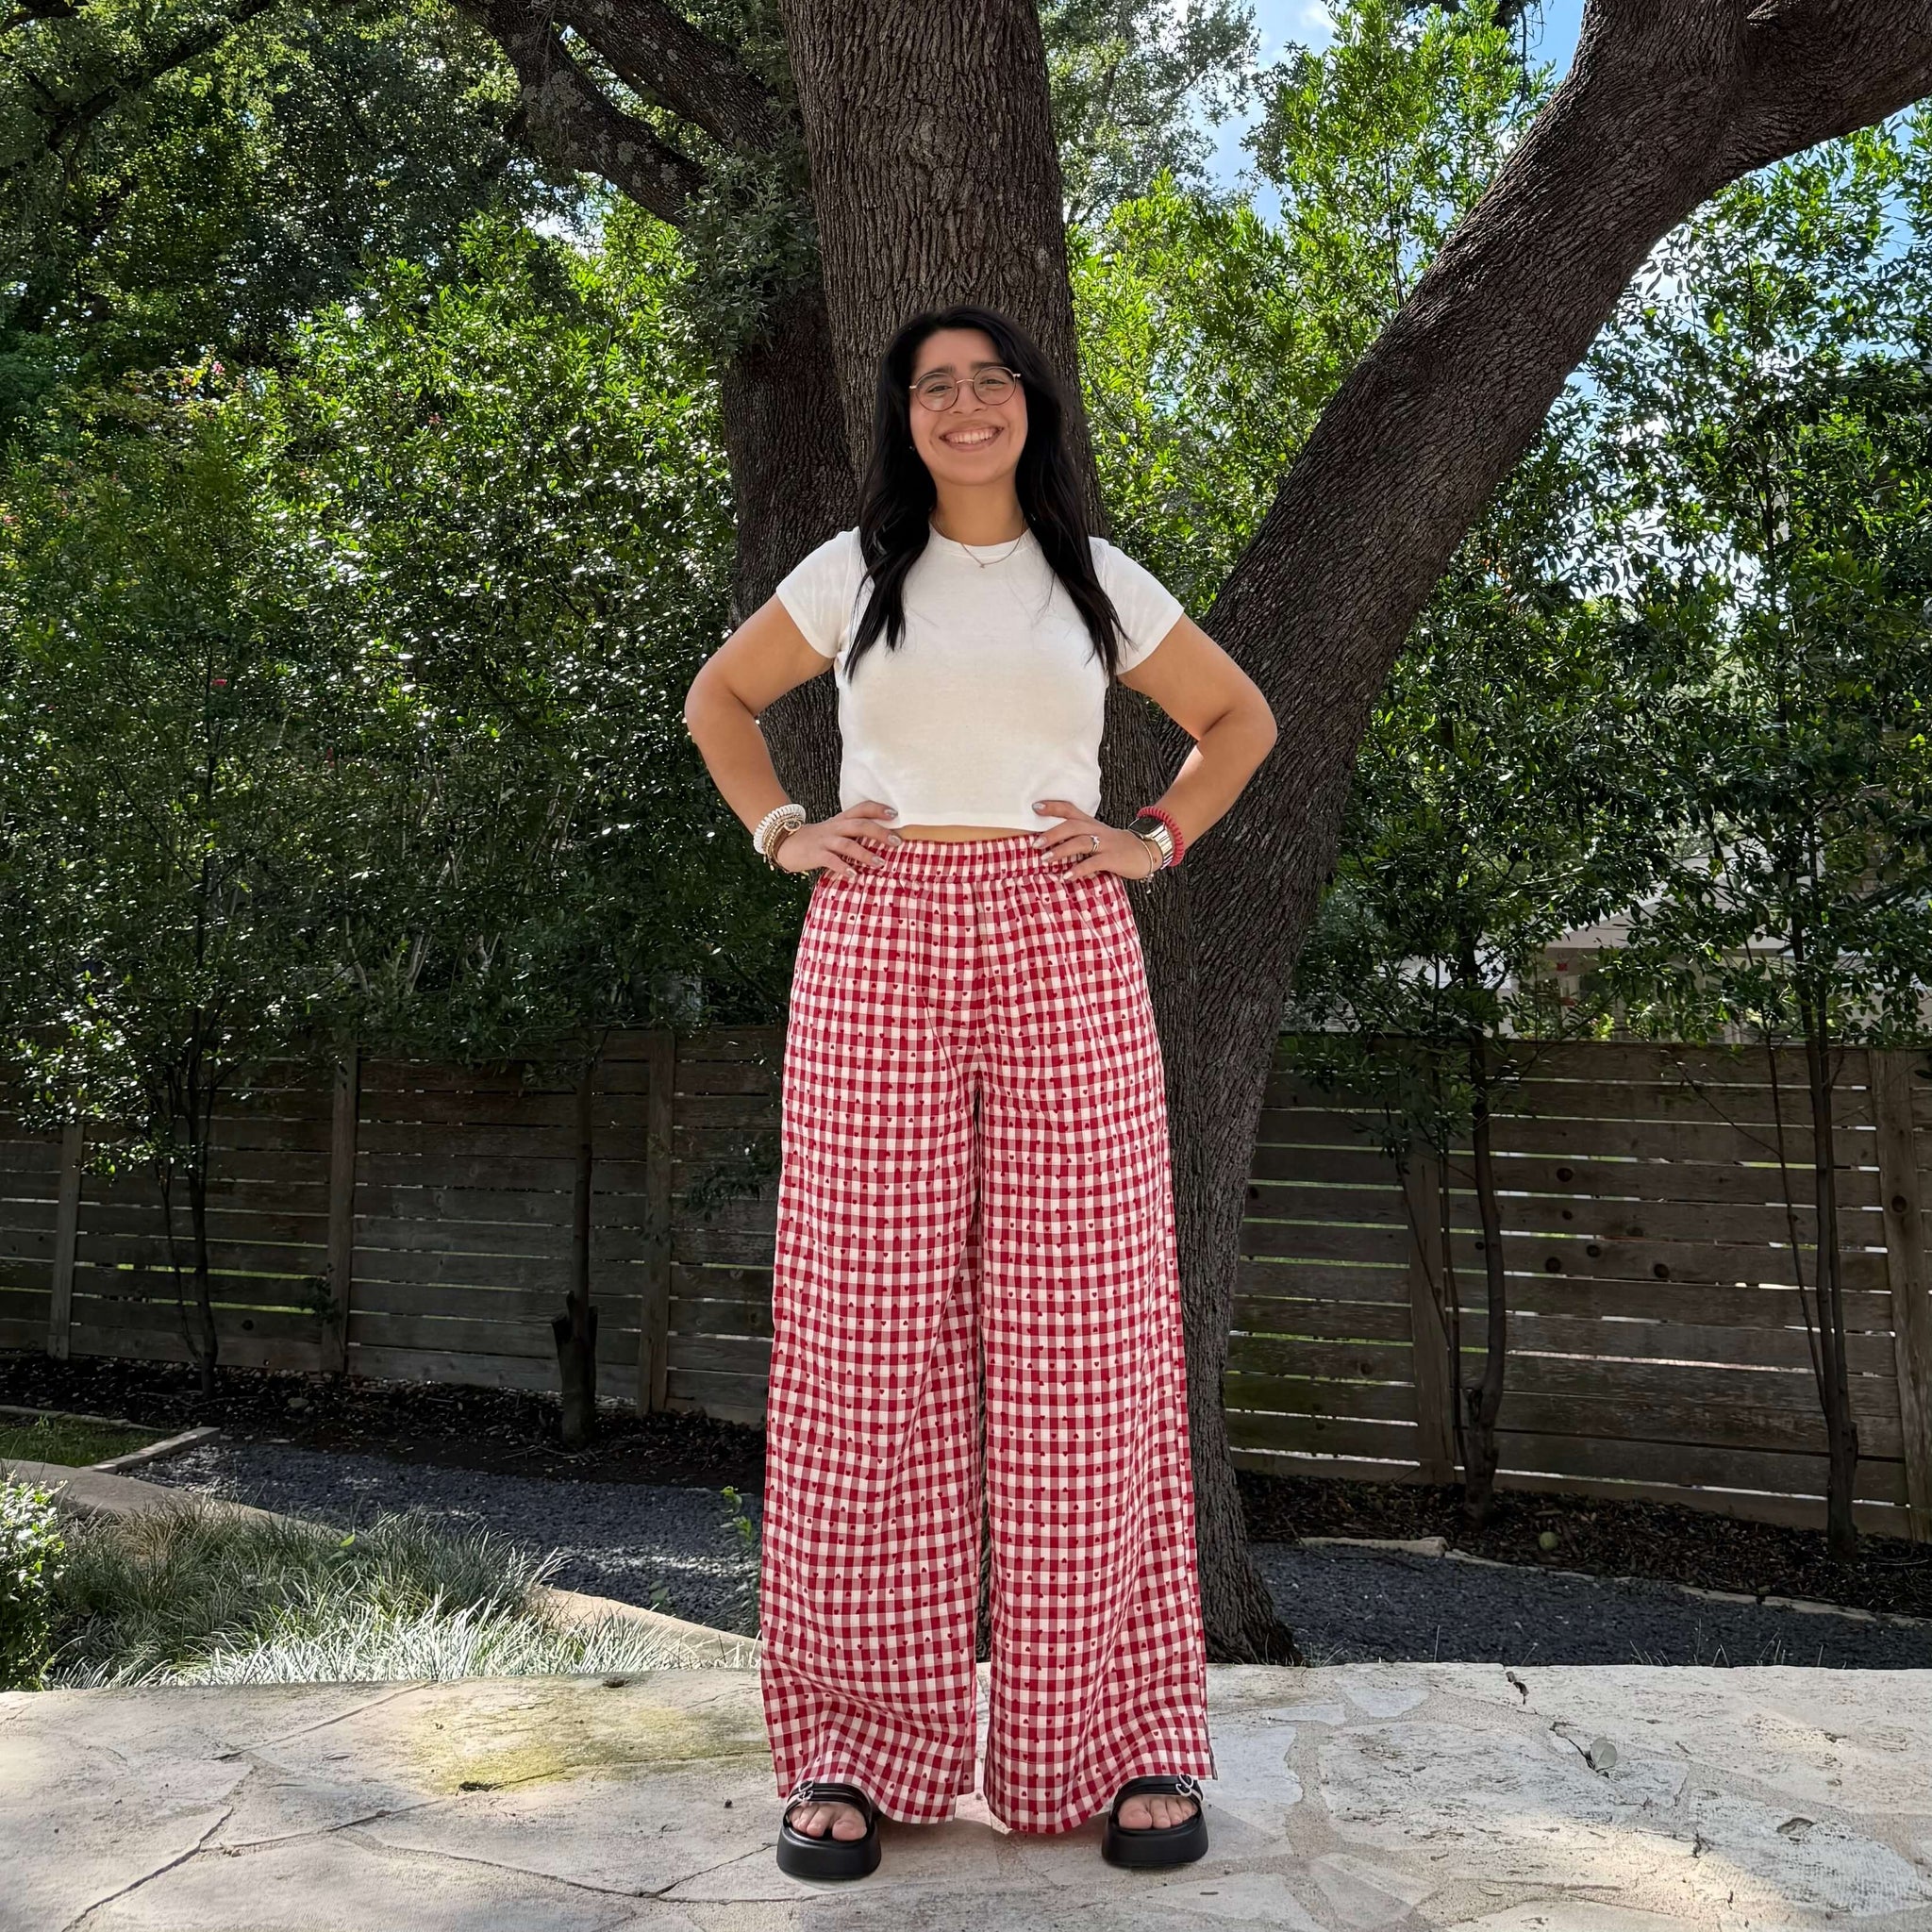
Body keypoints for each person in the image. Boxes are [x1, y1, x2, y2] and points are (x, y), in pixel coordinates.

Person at [681, 302, 1277, 1880]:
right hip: (878, 932)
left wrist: (1152, 838)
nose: (963, 404)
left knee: (1087, 1337)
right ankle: (855, 1747)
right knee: (867, 1342)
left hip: (1061, 933)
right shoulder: (854, 572)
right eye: (933, 385)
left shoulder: (1096, 581)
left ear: (1029, 407)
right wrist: (783, 830)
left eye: (988, 380)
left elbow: (1239, 721)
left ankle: (1118, 1738)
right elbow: (718, 702)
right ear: (905, 416)